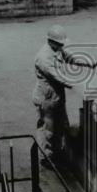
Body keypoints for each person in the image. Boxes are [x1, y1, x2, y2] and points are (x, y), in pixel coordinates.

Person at [33, 24, 70, 163]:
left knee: (62, 126)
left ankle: (58, 152)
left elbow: (70, 57)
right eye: (60, 44)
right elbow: (59, 77)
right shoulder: (44, 57)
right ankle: (46, 157)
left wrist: (89, 63)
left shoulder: (57, 49)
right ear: (51, 42)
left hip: (56, 97)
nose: (62, 47)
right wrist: (80, 83)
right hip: (46, 99)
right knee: (48, 130)